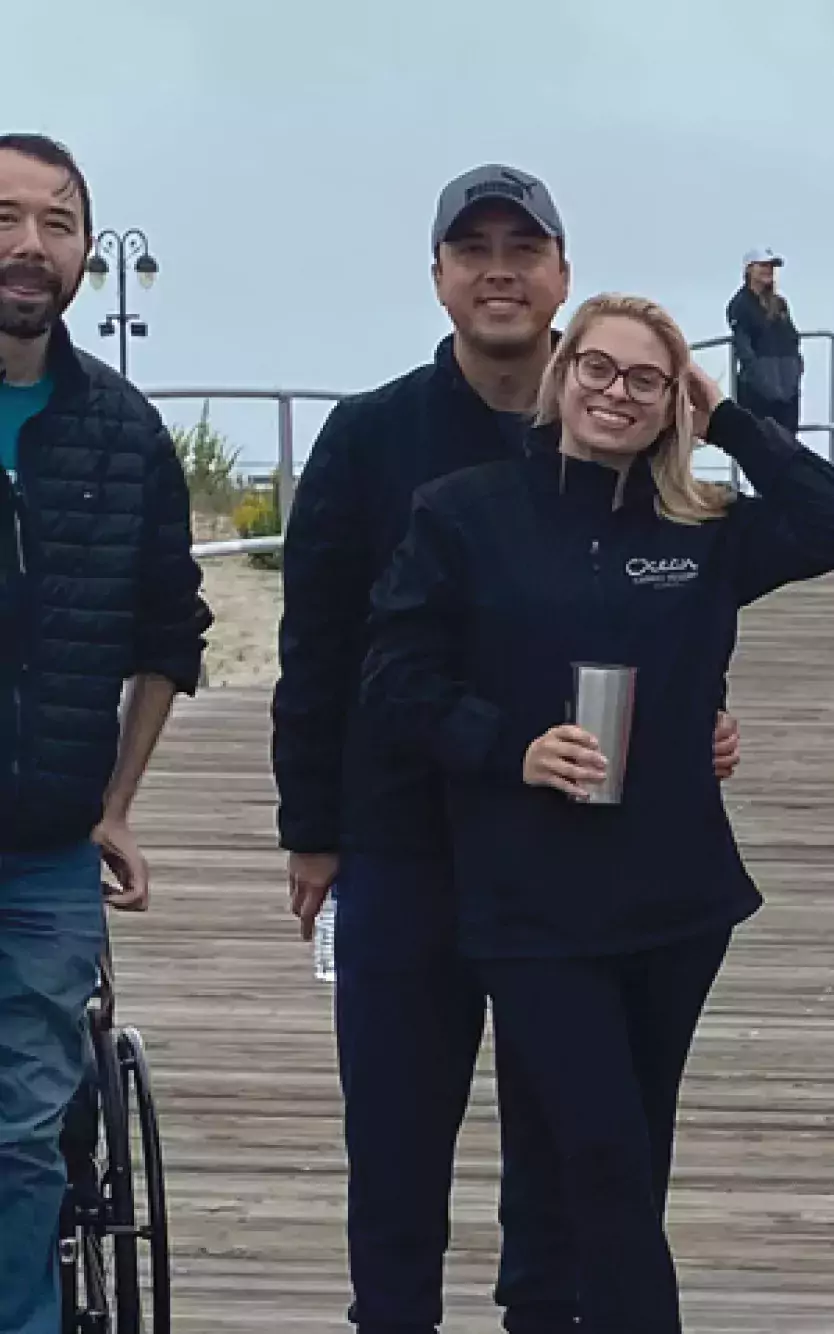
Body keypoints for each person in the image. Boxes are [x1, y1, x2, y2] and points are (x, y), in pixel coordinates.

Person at [273, 166, 741, 1334]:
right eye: (471, 247)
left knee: (565, 1143)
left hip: (566, 864)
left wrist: (698, 719)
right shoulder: (373, 434)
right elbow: (319, 643)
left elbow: (665, 606)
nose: (497, 268)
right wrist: (311, 831)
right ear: (437, 276)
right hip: (405, 842)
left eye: (522, 248)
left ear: (563, 279)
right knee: (394, 1135)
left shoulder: (616, 432)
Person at [361, 292, 834, 1333]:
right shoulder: (464, 510)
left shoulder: (699, 532)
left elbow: (825, 520)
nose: (618, 392)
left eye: (647, 379)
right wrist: (509, 744)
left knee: (590, 1159)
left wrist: (734, 422)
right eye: (600, 369)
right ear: (562, 375)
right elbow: (395, 678)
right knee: (607, 1156)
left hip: (673, 904)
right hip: (528, 904)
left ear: (673, 402)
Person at [0, 133, 211, 1334]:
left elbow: (167, 627)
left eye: (59, 222)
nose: (31, 246)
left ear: (85, 249)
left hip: (43, 849)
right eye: (5, 217)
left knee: (23, 1127)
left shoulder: (124, 432)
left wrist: (117, 802)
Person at [727, 247, 803, 432]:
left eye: (771, 266)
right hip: (758, 393)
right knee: (760, 446)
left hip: (788, 391)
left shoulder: (780, 304)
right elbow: (744, 348)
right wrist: (761, 381)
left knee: (788, 447)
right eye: (763, 265)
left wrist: (796, 371)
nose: (768, 270)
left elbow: (792, 340)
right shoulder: (740, 305)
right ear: (749, 269)